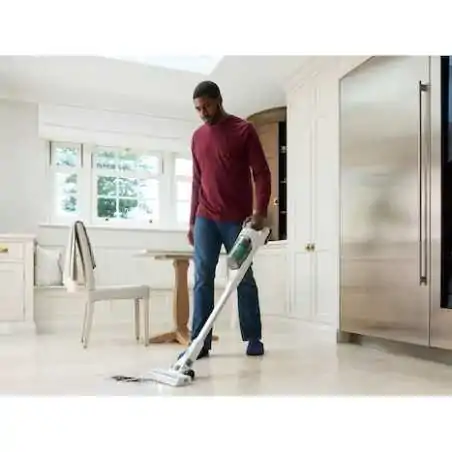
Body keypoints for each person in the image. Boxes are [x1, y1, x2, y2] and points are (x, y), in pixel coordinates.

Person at [185, 80, 271, 360]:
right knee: (202, 279)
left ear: (219, 100)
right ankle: (199, 342)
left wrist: (259, 212)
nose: (203, 113)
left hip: (237, 221)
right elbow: (197, 181)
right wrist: (191, 222)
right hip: (205, 219)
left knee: (243, 276)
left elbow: (261, 173)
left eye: (207, 106)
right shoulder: (197, 137)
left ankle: (253, 337)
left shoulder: (243, 130)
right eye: (198, 108)